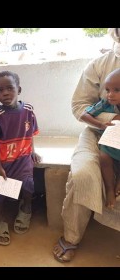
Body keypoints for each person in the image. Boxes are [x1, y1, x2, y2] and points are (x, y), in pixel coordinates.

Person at [53, 28, 120, 263]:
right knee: (82, 174)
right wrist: (107, 124)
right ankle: (72, 236)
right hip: (98, 133)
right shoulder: (101, 64)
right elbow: (79, 106)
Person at [0, 71, 40, 246]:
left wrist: (32, 151)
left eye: (10, 88)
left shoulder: (28, 110)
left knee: (28, 185)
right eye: (1, 90)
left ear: (19, 89)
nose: (5, 93)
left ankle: (26, 208)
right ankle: (1, 220)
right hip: (4, 162)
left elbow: (30, 134)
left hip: (23, 158)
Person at [79, 68, 120, 209]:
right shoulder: (105, 104)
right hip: (110, 141)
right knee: (103, 158)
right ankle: (109, 188)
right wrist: (101, 124)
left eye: (116, 90)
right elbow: (84, 115)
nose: (110, 95)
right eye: (108, 90)